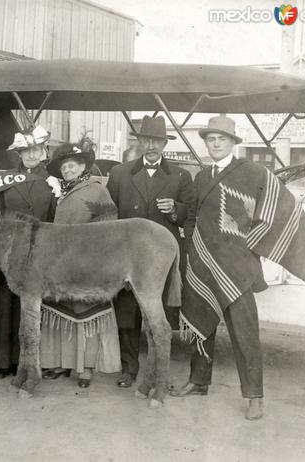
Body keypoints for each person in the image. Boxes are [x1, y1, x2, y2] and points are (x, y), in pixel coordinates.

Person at [170, 116, 305, 420]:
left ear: (234, 143)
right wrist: (192, 249)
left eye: (222, 139)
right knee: (201, 324)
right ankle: (198, 382)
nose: (216, 144)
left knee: (245, 333)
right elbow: (194, 217)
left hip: (238, 268)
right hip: (203, 264)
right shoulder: (201, 177)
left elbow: (279, 205)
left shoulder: (253, 172)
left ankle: (254, 396)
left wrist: (254, 244)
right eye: (211, 139)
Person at [106, 115, 194, 389]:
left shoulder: (181, 175)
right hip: (126, 257)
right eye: (146, 140)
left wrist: (176, 210)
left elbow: (191, 214)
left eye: (157, 140)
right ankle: (129, 369)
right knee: (127, 314)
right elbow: (109, 214)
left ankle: (158, 373)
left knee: (159, 316)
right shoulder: (120, 173)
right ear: (139, 142)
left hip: (159, 259)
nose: (152, 145)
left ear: (164, 144)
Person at [39, 137, 121, 388]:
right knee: (64, 312)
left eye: (73, 165)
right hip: (62, 264)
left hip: (88, 263)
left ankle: (85, 368)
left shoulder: (97, 190)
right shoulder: (61, 194)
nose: (69, 170)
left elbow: (109, 223)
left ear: (83, 167)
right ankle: (63, 362)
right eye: (64, 168)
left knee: (86, 314)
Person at [0, 125, 57, 379]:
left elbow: (56, 220)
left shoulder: (52, 182)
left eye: (36, 150)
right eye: (26, 151)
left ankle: (36, 361)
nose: (31, 155)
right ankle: (3, 361)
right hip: (9, 254)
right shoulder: (5, 181)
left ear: (44, 151)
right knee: (5, 303)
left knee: (36, 307)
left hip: (40, 253)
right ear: (19, 154)